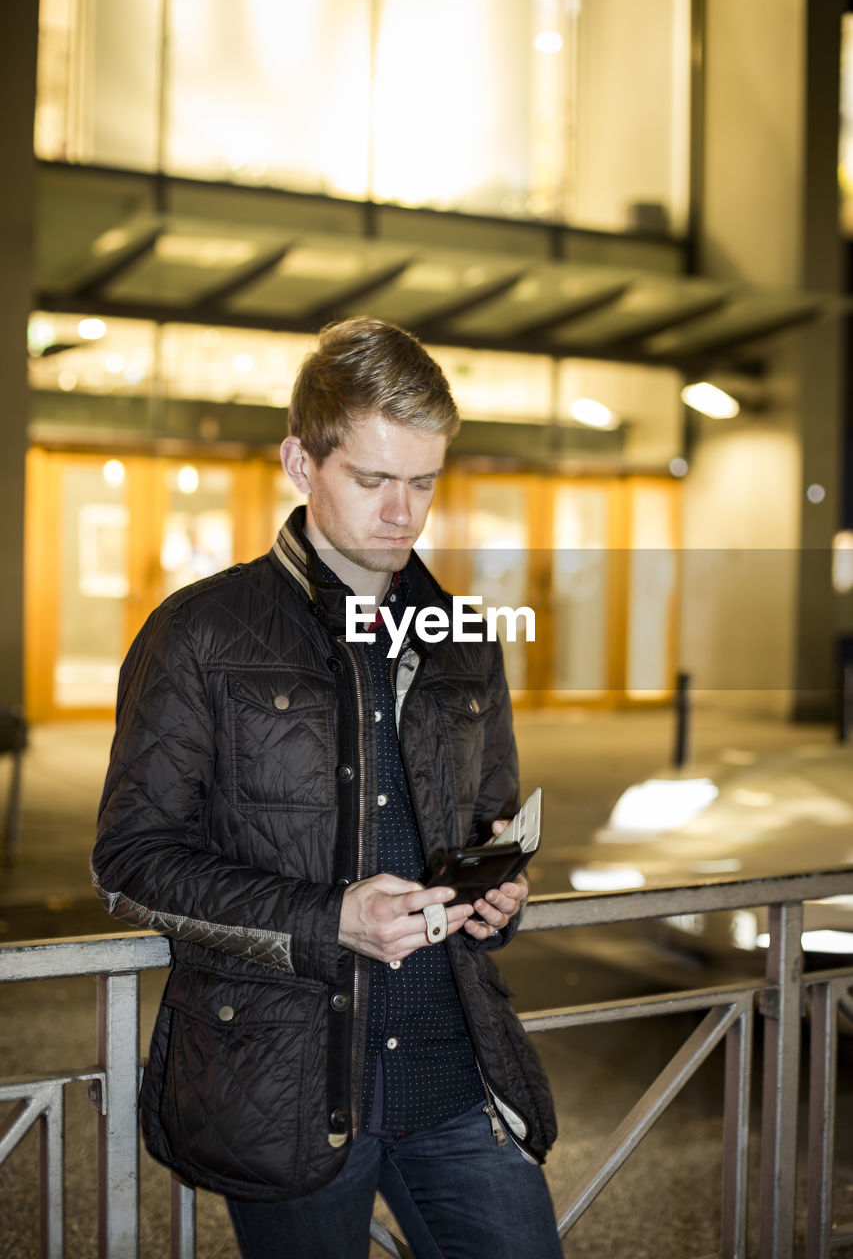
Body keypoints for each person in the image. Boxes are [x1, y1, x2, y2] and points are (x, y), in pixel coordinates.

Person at [92, 316, 561, 1259]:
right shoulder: (200, 634)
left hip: (451, 1070)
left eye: (424, 481)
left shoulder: (466, 637)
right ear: (300, 463)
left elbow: (488, 819)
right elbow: (131, 862)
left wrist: (496, 896)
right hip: (287, 1088)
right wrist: (329, 918)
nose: (403, 513)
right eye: (373, 479)